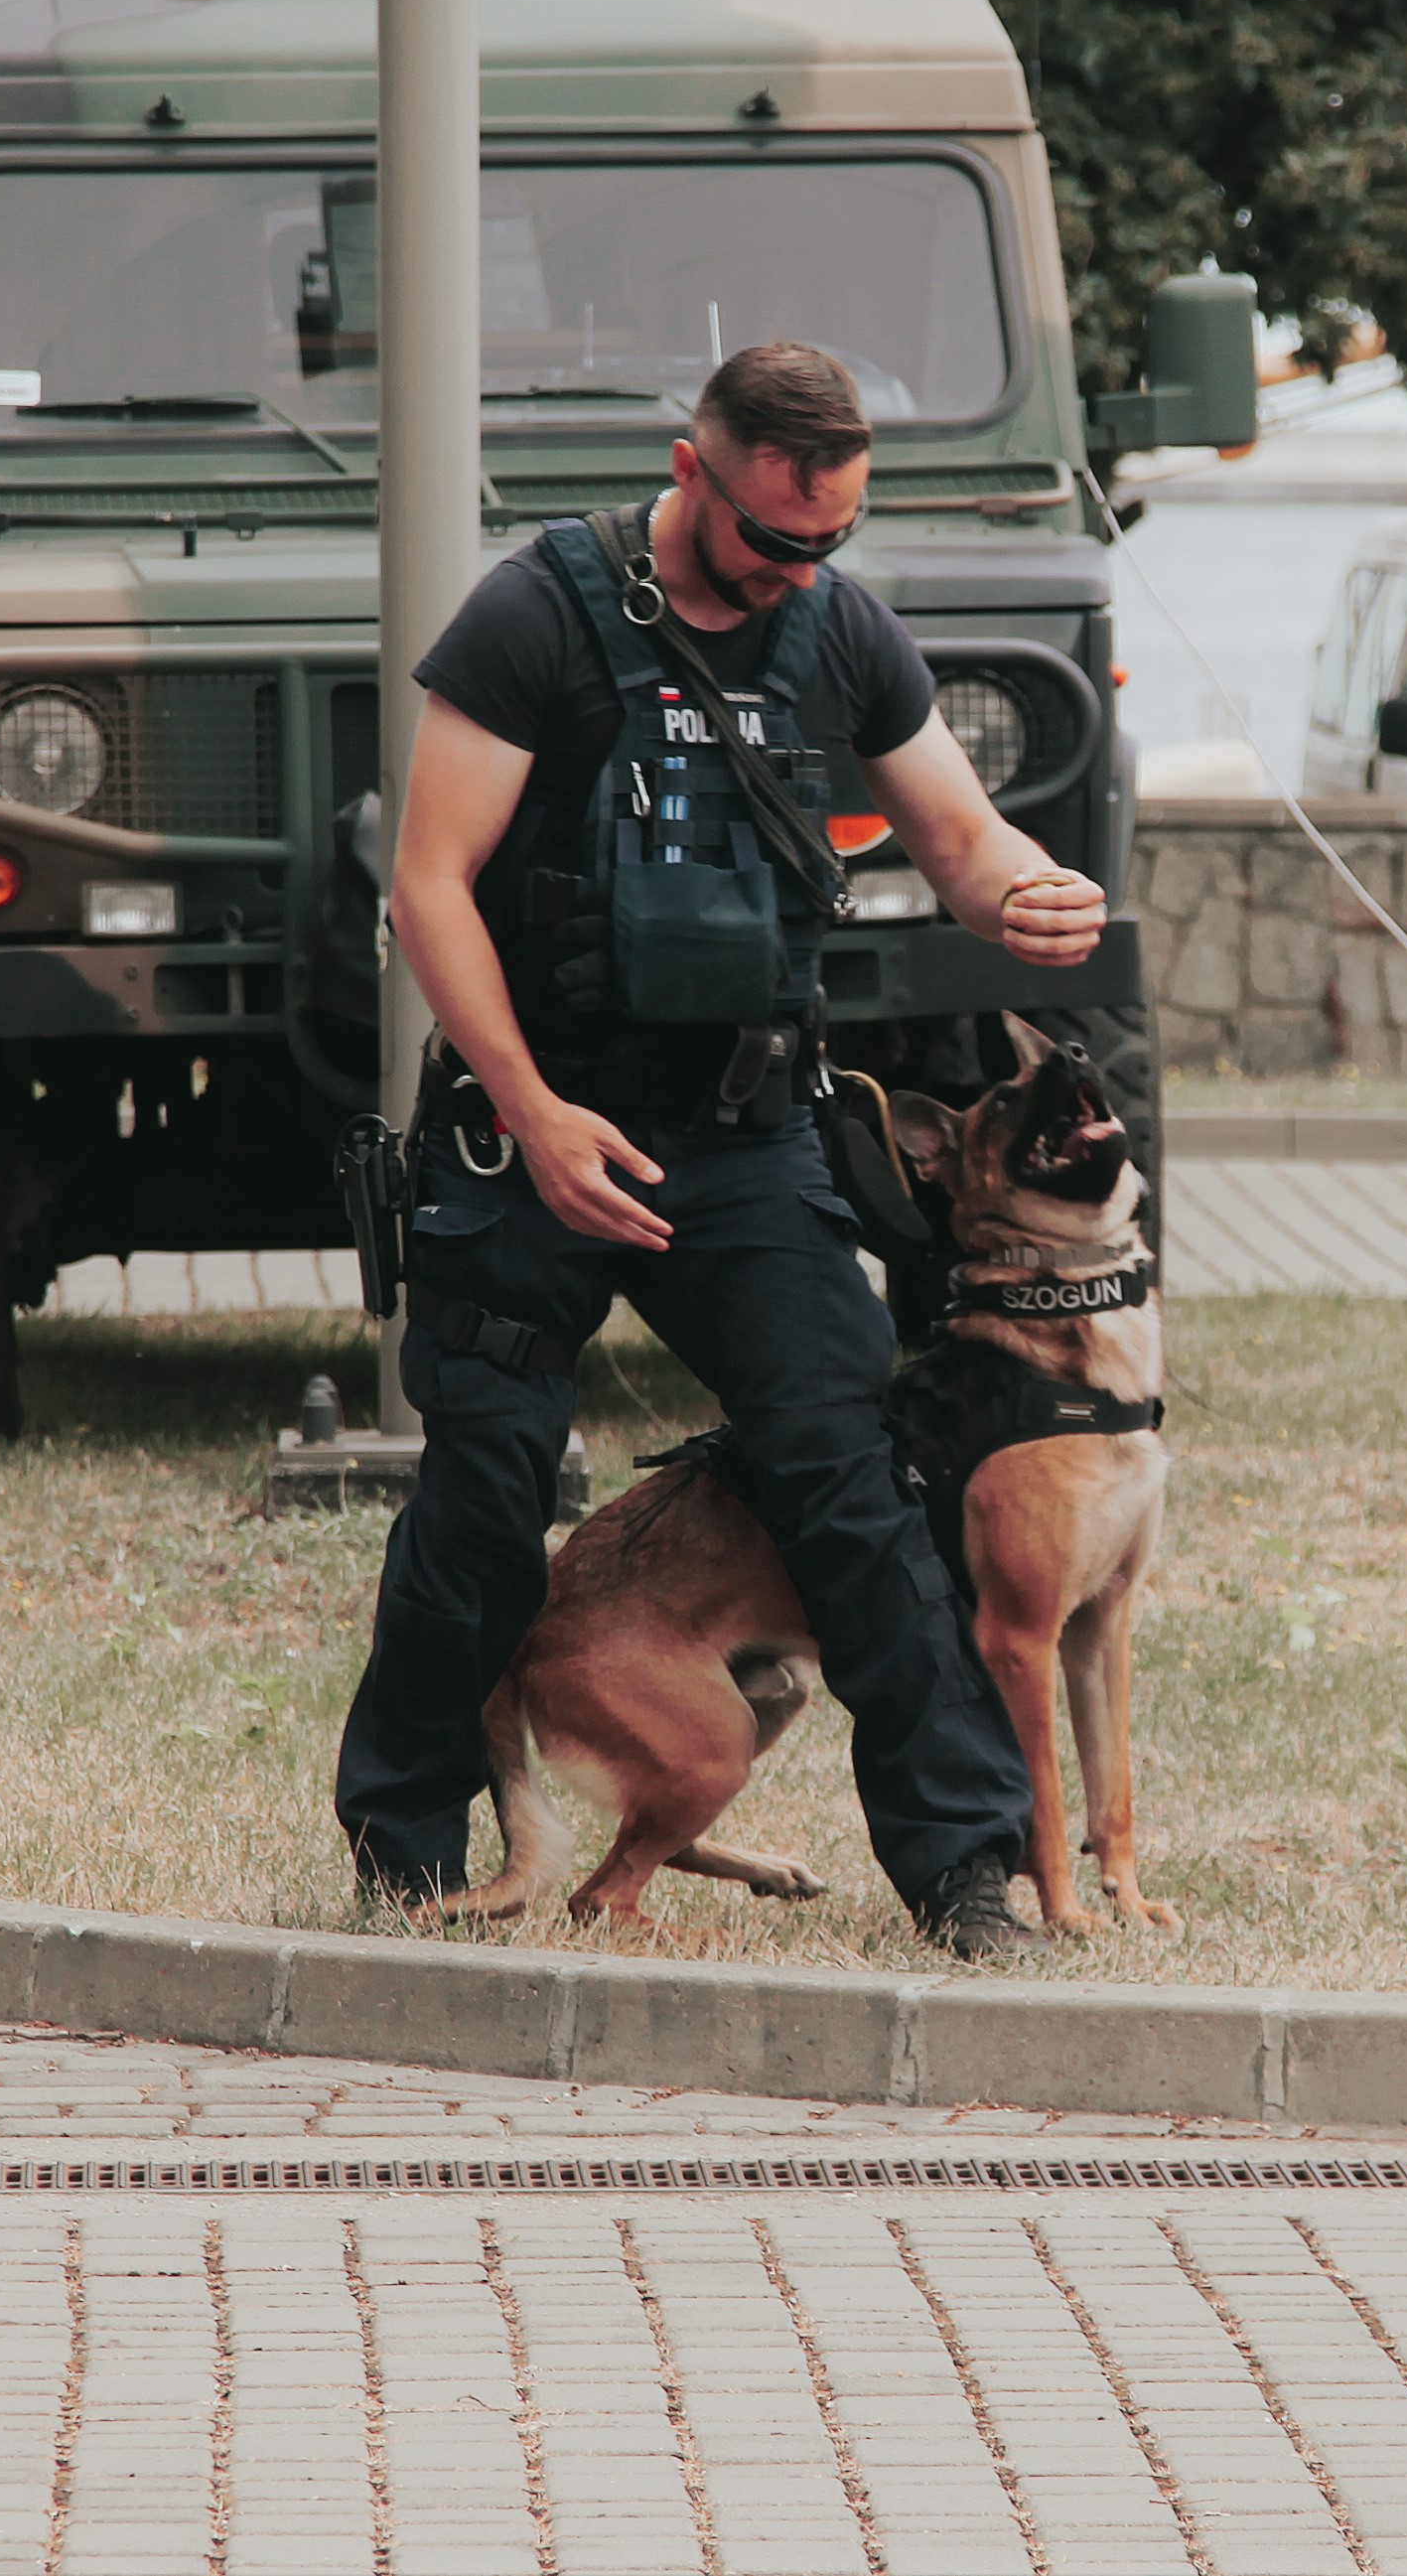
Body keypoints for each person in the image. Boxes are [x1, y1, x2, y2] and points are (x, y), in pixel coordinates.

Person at [341, 341, 1098, 1956]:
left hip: (744, 1142)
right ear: (693, 471)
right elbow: (428, 883)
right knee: (482, 1496)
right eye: (770, 537)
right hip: (530, 1130)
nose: (797, 569)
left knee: (855, 1482)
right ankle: (403, 1853)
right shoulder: (536, 613)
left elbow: (963, 839)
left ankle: (963, 1871)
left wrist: (1026, 893)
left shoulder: (839, 627)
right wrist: (532, 1112)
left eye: (830, 539)